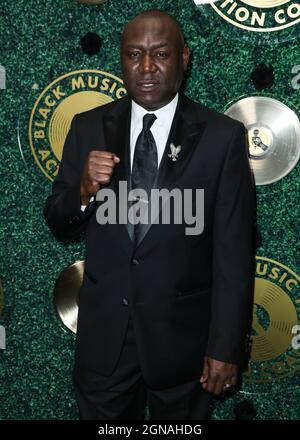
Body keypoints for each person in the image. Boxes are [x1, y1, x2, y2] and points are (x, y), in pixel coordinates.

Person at [44, 9, 255, 420]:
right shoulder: (87, 126)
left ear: (184, 57)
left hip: (185, 349)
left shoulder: (222, 137)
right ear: (121, 59)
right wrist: (83, 191)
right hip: (104, 344)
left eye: (160, 54)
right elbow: (57, 219)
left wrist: (224, 347)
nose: (145, 67)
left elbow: (233, 254)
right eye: (133, 54)